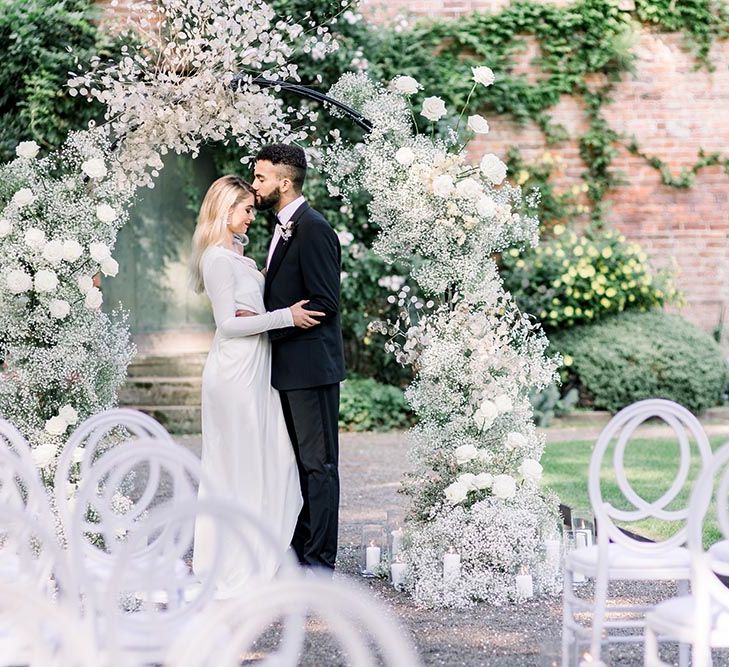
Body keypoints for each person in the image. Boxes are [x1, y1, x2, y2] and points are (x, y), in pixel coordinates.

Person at [188, 175, 322, 597]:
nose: (252, 215)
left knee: (275, 462)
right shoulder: (216, 258)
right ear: (226, 211)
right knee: (237, 466)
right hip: (234, 374)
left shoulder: (238, 255)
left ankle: (263, 550)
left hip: (256, 369)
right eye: (246, 209)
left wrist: (262, 307)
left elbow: (249, 308)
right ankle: (232, 561)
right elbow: (228, 324)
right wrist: (286, 316)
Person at [248, 144, 346, 572]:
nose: (255, 186)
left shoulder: (314, 229)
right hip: (287, 369)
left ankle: (320, 562)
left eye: (261, 178)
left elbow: (325, 302)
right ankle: (300, 549)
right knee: (298, 465)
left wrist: (278, 321)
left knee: (319, 465)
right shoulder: (282, 227)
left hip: (310, 368)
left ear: (284, 183)